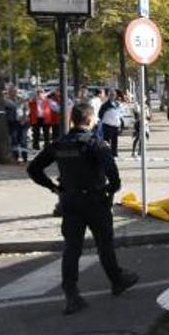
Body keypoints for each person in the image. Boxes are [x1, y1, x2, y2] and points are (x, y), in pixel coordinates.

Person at [26, 102, 138, 315]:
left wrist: (54, 188)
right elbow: (113, 175)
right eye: (94, 117)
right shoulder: (96, 143)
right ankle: (117, 280)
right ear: (89, 120)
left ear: (72, 120)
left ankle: (71, 294)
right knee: (104, 244)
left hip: (69, 202)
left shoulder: (59, 144)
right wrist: (110, 190)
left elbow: (33, 169)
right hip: (95, 201)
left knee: (72, 248)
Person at [4, 86, 27, 162]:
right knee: (14, 140)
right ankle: (15, 158)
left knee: (23, 140)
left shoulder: (21, 99)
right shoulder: (5, 100)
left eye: (15, 91)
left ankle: (25, 158)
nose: (14, 92)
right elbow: (12, 107)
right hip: (12, 122)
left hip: (22, 122)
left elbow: (26, 109)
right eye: (12, 91)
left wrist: (24, 118)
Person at [98, 89, 123, 156]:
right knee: (106, 140)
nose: (112, 96)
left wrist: (120, 124)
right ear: (108, 96)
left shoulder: (118, 104)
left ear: (116, 96)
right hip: (107, 125)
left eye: (114, 95)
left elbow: (120, 115)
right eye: (111, 95)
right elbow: (100, 115)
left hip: (115, 125)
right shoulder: (105, 105)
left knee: (115, 140)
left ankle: (114, 153)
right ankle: (106, 153)